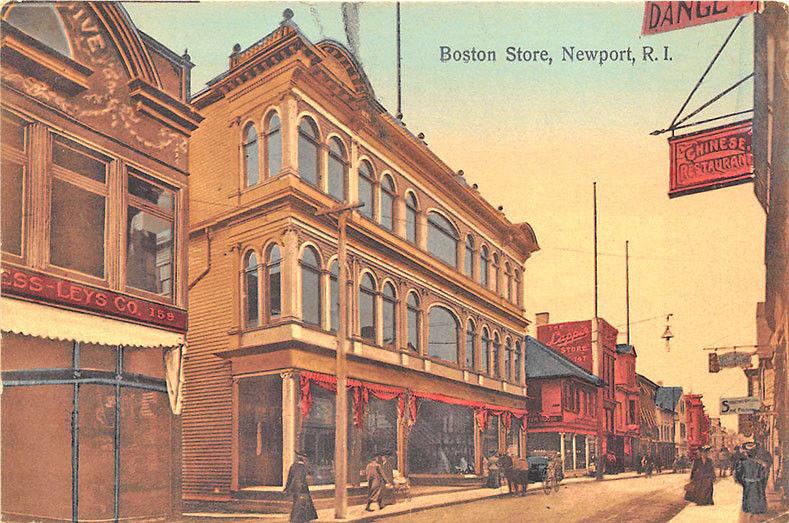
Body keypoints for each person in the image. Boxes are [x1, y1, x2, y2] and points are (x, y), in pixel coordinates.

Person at [735, 442, 767, 518]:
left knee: (748, 504)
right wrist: (760, 482)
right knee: (757, 502)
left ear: (747, 454)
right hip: (757, 485)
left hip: (748, 484)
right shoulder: (761, 464)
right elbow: (764, 476)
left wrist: (743, 482)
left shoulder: (743, 463)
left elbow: (738, 475)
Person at [284, 452, 318, 523]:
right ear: (303, 459)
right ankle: (300, 519)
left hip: (296, 488)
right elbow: (307, 474)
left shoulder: (293, 466)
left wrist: (287, 488)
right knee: (302, 503)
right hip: (302, 488)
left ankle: (299, 519)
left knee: (298, 503)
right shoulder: (302, 467)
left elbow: (289, 478)